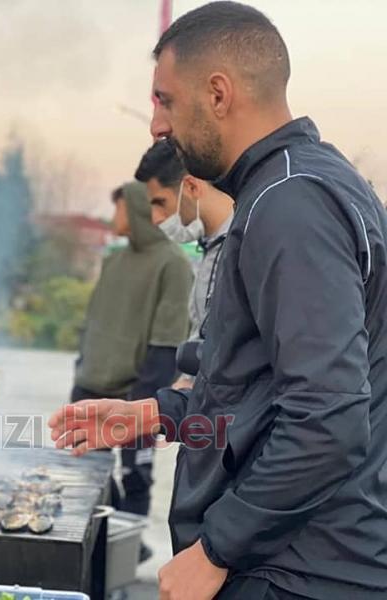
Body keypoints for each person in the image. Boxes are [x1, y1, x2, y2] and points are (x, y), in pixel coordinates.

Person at [51, 2, 387, 599]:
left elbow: (328, 419)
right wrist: (157, 414)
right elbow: (262, 391)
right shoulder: (294, 186)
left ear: (218, 94)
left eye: (165, 101)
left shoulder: (292, 203)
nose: (157, 125)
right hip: (295, 561)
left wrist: (215, 550)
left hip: (297, 572)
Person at [71, 181, 192, 544]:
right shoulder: (114, 260)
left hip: (135, 396)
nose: (115, 215)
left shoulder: (173, 264)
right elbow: (93, 321)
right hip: (90, 389)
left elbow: (167, 342)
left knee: (135, 477)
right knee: (88, 476)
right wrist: (81, 370)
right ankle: (96, 552)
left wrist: (142, 404)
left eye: (120, 207)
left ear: (138, 209)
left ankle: (127, 552)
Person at [135, 139, 234, 387]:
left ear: (191, 187)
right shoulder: (210, 250)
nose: (156, 218)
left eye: (160, 202)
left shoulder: (244, 248)